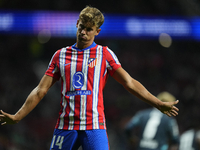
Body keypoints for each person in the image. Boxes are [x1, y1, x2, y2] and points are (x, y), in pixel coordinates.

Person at [0, 6, 179, 150]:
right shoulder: (60, 55)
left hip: (94, 127)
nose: (83, 32)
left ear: (97, 31)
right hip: (65, 126)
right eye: (81, 27)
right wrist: (17, 116)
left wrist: (157, 103)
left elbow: (129, 82)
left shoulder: (104, 54)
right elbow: (40, 90)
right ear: (77, 23)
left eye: (89, 29)